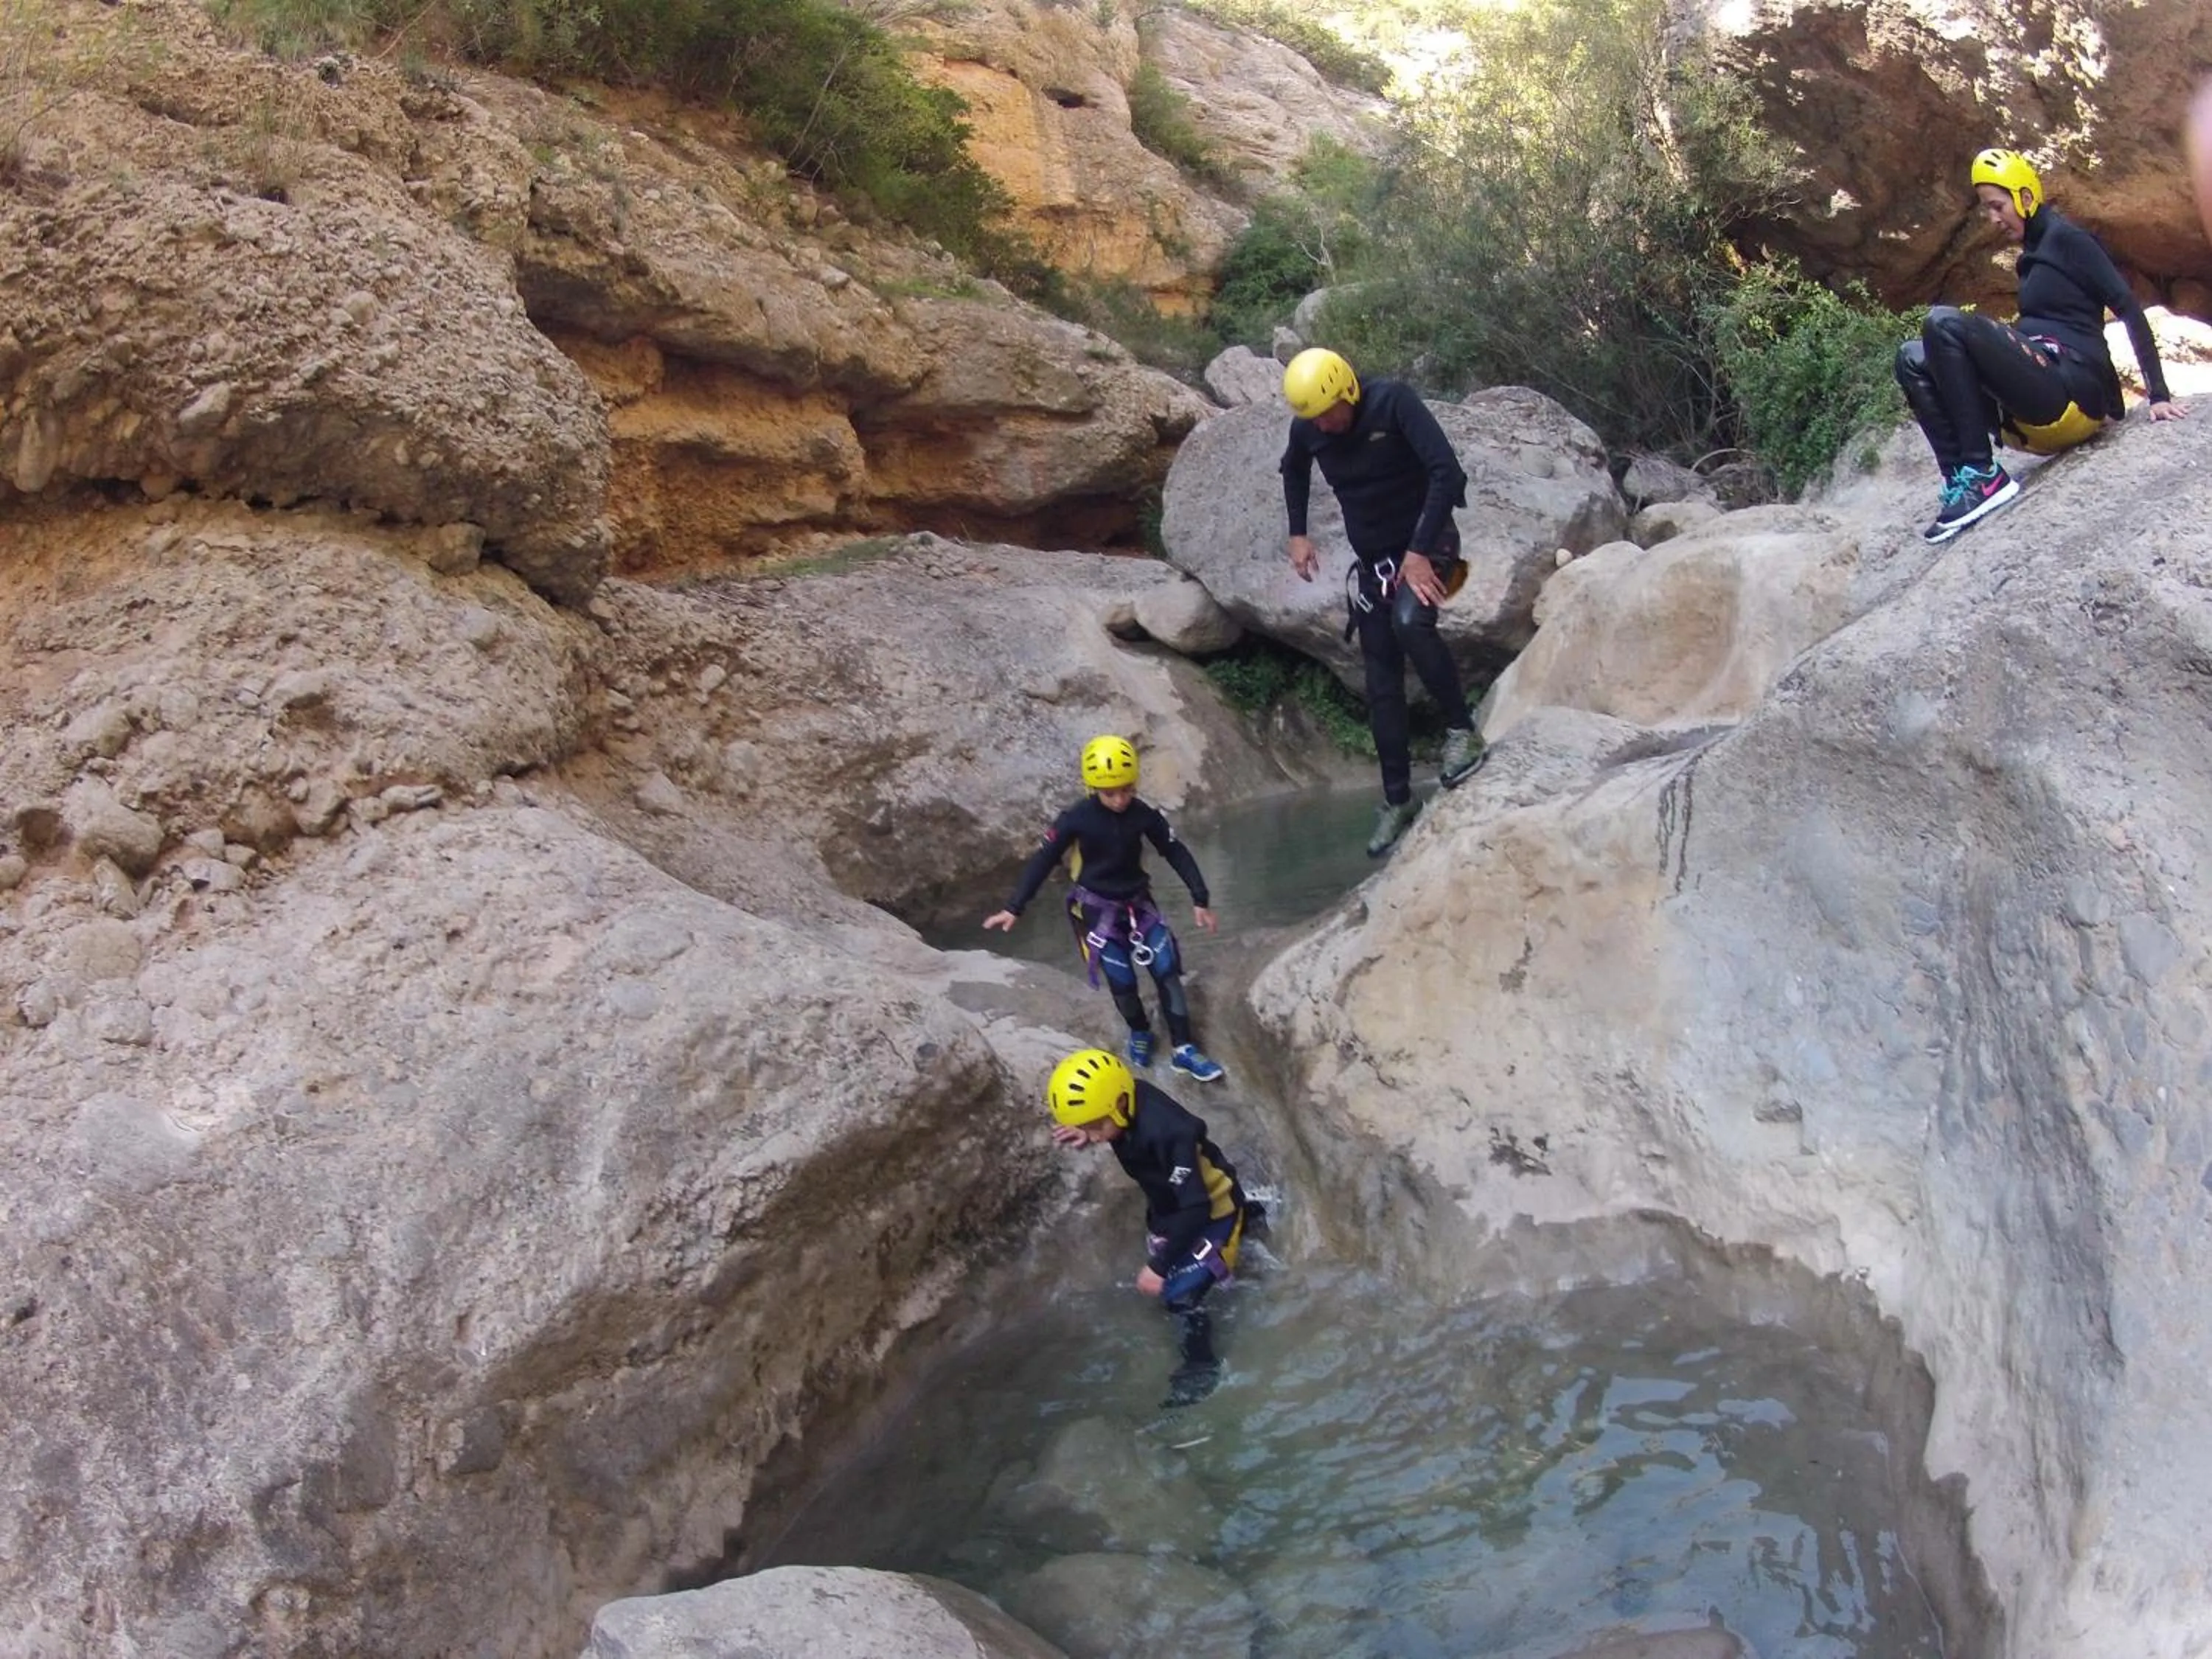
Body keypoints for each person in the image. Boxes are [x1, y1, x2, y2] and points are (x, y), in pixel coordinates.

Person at [1895, 147, 2185, 546]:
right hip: (2035, 396)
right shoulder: (2031, 257)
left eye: (1999, 206)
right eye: (1987, 210)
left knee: (1943, 321)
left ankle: (1983, 475)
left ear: (2026, 197)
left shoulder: (2070, 241)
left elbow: (2128, 308)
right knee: (1911, 358)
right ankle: (1963, 481)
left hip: (2071, 389)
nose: (1993, 219)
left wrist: (2158, 395)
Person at [1279, 347, 1485, 859]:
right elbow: (1294, 469)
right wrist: (1298, 533)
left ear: (1347, 392)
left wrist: (1419, 553)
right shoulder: (1310, 427)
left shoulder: (1392, 403)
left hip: (1430, 543)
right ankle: (1398, 802)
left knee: (1411, 623)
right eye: (1313, 418)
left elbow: (1447, 473)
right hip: (1375, 562)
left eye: (1329, 413)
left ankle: (1463, 732)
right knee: (1379, 677)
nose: (1324, 426)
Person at [984, 735, 1226, 1084]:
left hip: (1140, 906)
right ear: (1093, 787)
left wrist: (1200, 897)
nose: (1119, 799)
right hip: (1096, 913)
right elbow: (1045, 859)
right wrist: (1015, 907)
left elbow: (1174, 851)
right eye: (1109, 792)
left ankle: (1183, 1050)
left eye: (1126, 790)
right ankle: (1139, 1031)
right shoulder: (1076, 819)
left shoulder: (1143, 815)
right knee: (1122, 981)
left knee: (1167, 970)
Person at [1046, 1046, 1251, 1406]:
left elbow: (1197, 1207)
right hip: (1171, 1205)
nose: (1093, 1136)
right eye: (1086, 1128)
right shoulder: (1124, 1103)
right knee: (1164, 1270)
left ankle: (1202, 1368)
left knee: (1181, 1298)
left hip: (1214, 1210)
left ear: (1121, 1107)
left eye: (1095, 1127)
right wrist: (1087, 1130)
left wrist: (1159, 1267)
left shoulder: (1170, 1132)